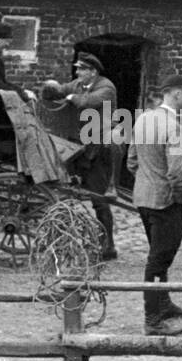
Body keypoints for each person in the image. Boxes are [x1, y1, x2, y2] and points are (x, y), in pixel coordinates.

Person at [128, 75, 182, 336]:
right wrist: (178, 199)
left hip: (144, 199)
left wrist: (148, 183)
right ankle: (152, 320)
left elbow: (131, 161)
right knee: (159, 258)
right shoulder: (175, 126)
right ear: (175, 93)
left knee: (159, 254)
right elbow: (176, 174)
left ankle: (163, 304)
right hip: (166, 203)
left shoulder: (143, 118)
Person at [42, 52, 119, 260]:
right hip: (79, 147)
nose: (77, 73)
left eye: (81, 69)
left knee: (99, 199)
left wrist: (70, 97)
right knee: (64, 193)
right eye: (77, 69)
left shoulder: (106, 87)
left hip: (98, 148)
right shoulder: (77, 84)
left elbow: (88, 102)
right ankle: (61, 240)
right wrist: (48, 89)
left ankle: (108, 245)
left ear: (92, 72)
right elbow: (60, 91)